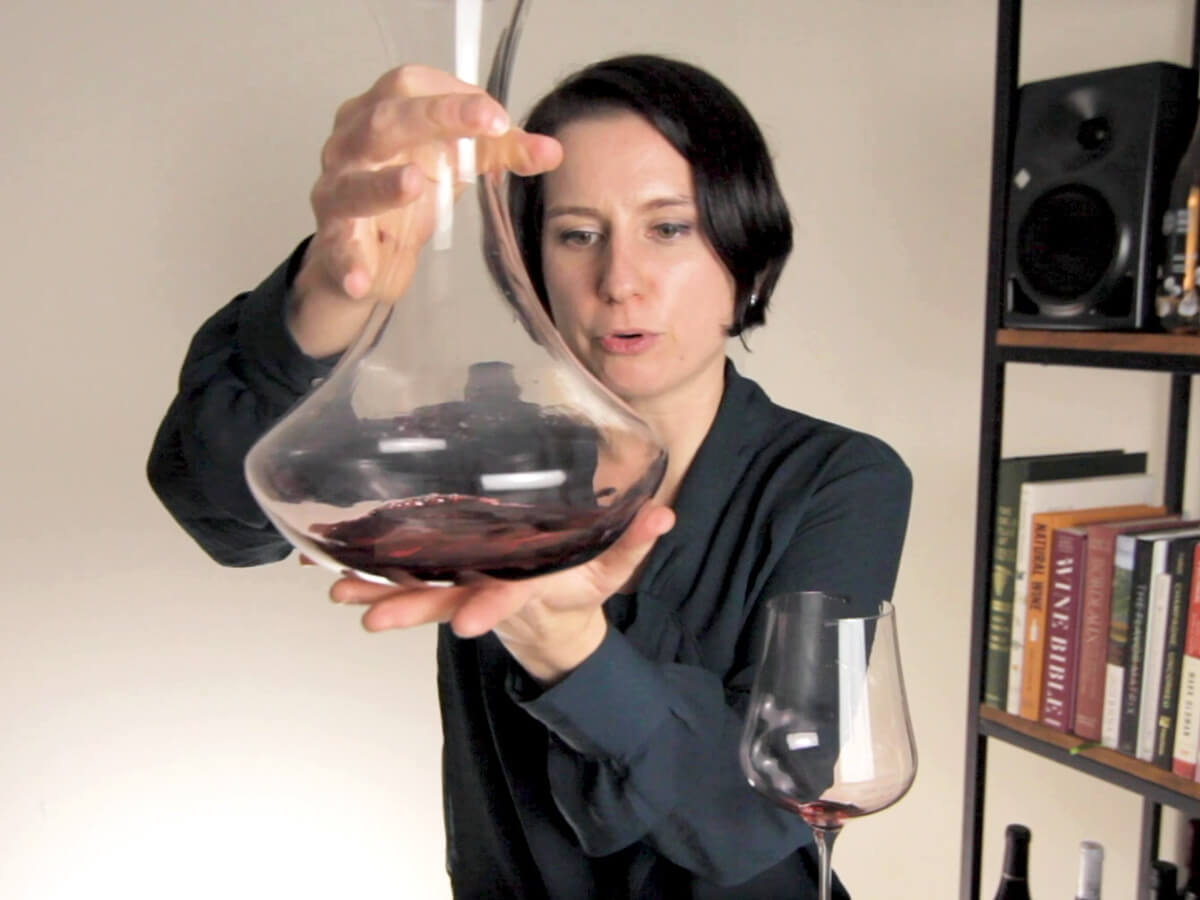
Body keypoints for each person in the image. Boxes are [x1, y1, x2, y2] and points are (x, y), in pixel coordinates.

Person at [147, 53, 912, 899]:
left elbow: (752, 821)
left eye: (669, 228)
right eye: (577, 234)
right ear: (531, 271)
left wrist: (569, 644)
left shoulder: (844, 481)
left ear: (748, 254)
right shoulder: (488, 444)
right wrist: (333, 288)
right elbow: (229, 511)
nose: (619, 283)